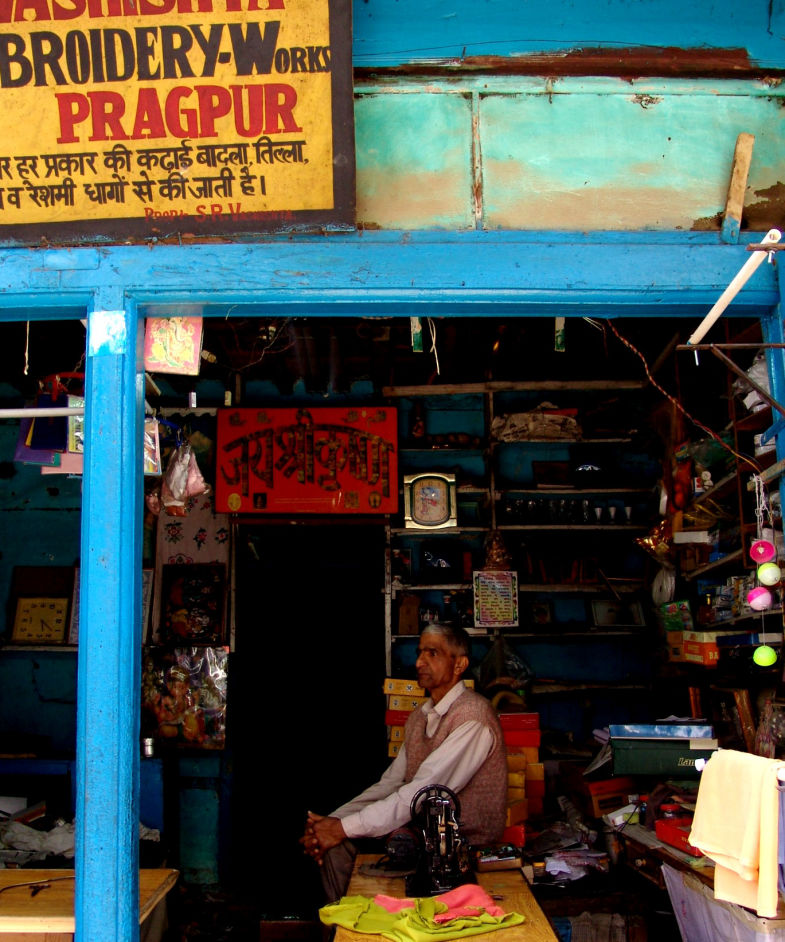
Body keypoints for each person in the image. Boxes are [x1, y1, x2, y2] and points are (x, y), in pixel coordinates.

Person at [300, 623, 507, 902]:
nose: (419, 661)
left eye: (432, 653)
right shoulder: (418, 718)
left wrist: (339, 828)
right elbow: (391, 784)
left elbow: (419, 793)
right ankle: (347, 928)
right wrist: (332, 822)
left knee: (345, 838)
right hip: (420, 837)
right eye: (420, 652)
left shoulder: (473, 718)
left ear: (460, 664)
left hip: (464, 848)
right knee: (336, 845)